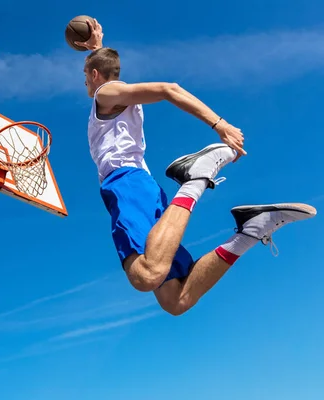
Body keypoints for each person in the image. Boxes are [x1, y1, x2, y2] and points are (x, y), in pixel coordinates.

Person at [73, 19, 317, 315]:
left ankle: (195, 177)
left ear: (95, 75)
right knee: (175, 300)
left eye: (85, 75)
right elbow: (116, 75)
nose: (84, 82)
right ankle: (251, 230)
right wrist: (97, 48)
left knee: (146, 275)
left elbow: (168, 89)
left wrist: (220, 124)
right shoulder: (118, 94)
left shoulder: (104, 94)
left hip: (125, 182)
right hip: (141, 184)